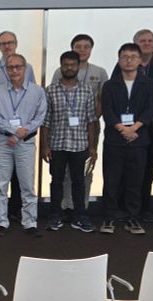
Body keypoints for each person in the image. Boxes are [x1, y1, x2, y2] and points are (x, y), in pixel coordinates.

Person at [114, 29, 153, 224]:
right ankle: (121, 208)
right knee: (122, 172)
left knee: (146, 171)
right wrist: (126, 128)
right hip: (122, 129)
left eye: (150, 40)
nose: (147, 43)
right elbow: (115, 96)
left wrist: (139, 126)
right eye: (143, 41)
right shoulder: (121, 65)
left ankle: (143, 208)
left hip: (150, 128)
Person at [50, 34, 109, 220]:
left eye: (86, 46)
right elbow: (53, 99)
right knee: (62, 172)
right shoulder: (60, 72)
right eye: (78, 46)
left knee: (84, 170)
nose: (82, 49)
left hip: (89, 128)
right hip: (62, 130)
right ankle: (65, 205)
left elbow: (102, 99)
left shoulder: (99, 72)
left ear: (91, 49)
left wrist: (90, 119)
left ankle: (81, 207)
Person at [99, 43, 153, 235]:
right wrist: (122, 128)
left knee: (136, 181)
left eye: (133, 56)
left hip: (139, 140)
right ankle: (109, 216)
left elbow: (150, 110)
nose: (129, 60)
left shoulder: (149, 84)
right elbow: (107, 111)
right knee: (112, 179)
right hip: (115, 139)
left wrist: (135, 128)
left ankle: (133, 217)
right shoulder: (109, 85)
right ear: (118, 60)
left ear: (140, 60)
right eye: (124, 57)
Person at [0, 53, 47, 237]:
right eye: (10, 67)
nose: (14, 70)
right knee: (0, 184)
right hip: (2, 142)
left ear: (25, 68)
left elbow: (40, 116)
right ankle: (1, 222)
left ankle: (29, 222)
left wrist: (24, 131)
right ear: (6, 70)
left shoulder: (37, 92)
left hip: (26, 143)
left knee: (27, 185)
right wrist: (13, 131)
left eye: (18, 67)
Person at [41, 51, 98, 233]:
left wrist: (92, 146)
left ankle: (80, 216)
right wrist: (44, 146)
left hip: (80, 144)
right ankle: (55, 215)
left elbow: (91, 120)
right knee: (56, 182)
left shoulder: (87, 90)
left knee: (79, 182)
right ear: (60, 66)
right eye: (65, 65)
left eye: (73, 65)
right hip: (57, 144)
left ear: (78, 66)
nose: (69, 68)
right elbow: (46, 121)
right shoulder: (50, 90)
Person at [0, 31, 37, 224]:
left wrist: (24, 129)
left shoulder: (28, 68)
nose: (7, 46)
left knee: (21, 175)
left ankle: (16, 210)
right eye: (3, 43)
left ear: (16, 43)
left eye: (10, 42)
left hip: (23, 131)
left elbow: (31, 97)